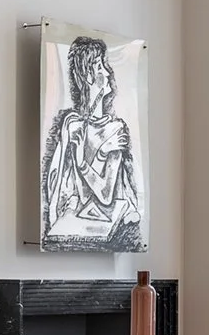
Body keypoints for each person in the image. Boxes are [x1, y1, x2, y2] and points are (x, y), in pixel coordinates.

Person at [42, 36, 142, 251]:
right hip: (78, 225)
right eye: (99, 66)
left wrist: (91, 158)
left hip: (107, 228)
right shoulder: (71, 125)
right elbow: (59, 189)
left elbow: (106, 196)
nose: (107, 73)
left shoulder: (116, 129)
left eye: (105, 65)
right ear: (86, 75)